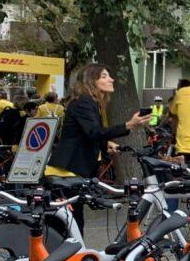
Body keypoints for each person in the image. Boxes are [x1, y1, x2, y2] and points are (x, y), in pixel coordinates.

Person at [45, 64, 152, 228]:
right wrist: (129, 124)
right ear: (91, 81)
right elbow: (94, 132)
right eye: (104, 76)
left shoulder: (90, 102)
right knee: (70, 225)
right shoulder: (84, 102)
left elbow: (86, 133)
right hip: (66, 172)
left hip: (72, 172)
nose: (111, 79)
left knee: (71, 224)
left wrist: (105, 144)